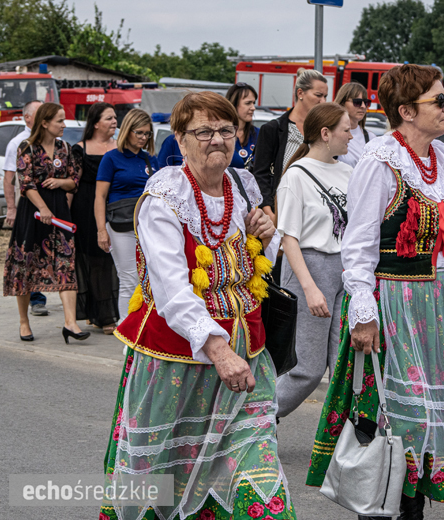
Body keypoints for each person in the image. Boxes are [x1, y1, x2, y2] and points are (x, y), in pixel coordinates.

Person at [306, 65, 444, 519]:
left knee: (430, 421)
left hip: (439, 304)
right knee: (393, 420)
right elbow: (358, 248)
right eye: (437, 101)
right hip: (394, 303)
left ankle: (412, 509)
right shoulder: (380, 160)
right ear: (405, 111)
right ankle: (382, 506)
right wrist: (363, 312)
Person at [100, 91, 294, 520]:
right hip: (178, 359)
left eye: (226, 130)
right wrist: (217, 348)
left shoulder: (243, 184)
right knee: (166, 484)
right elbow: (171, 289)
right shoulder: (164, 198)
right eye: (203, 131)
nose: (217, 140)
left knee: (259, 481)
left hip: (249, 355)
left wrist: (267, 233)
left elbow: (262, 260)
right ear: (181, 140)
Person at [275, 103, 353, 417]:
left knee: (342, 367)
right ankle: (258, 423)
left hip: (344, 270)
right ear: (325, 133)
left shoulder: (348, 171)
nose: (351, 135)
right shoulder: (296, 176)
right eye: (345, 129)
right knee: (307, 369)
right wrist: (309, 288)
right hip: (310, 268)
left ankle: (339, 439)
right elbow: (288, 237)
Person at [3, 102, 89, 343]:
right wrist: (43, 208)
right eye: (59, 121)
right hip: (33, 213)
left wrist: (61, 184)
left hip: (60, 213)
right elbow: (26, 184)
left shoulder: (65, 148)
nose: (64, 125)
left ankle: (70, 323)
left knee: (65, 264)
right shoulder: (26, 147)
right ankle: (23, 322)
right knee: (26, 266)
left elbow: (74, 180)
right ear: (44, 123)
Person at [95, 109, 159, 320]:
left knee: (147, 279)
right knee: (129, 279)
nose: (143, 138)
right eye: (139, 132)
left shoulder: (150, 160)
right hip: (120, 226)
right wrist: (101, 230)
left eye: (147, 134)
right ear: (127, 131)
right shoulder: (111, 158)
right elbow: (100, 197)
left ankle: (141, 326)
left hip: (147, 226)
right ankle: (126, 328)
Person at [252, 68, 328, 222]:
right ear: (300, 93)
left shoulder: (324, 131)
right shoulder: (273, 129)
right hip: (279, 211)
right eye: (318, 95)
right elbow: (260, 174)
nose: (323, 101)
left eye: (325, 96)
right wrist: (269, 212)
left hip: (314, 214)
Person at [71, 102, 120, 334]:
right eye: (109, 118)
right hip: (86, 208)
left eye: (114, 118)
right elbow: (73, 185)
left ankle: (104, 312)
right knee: (93, 260)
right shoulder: (80, 149)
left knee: (108, 261)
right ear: (96, 122)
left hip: (114, 207)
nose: (114, 122)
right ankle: (102, 314)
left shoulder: (119, 147)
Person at [3, 99, 49, 317]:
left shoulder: (51, 141)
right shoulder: (18, 143)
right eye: (40, 113)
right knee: (27, 251)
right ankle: (35, 298)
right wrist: (11, 208)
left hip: (51, 204)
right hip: (28, 207)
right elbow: (10, 178)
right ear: (27, 117)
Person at [335, 81, 370, 168]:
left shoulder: (371, 137)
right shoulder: (332, 135)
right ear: (342, 103)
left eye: (366, 102)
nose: (363, 106)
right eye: (357, 102)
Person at [226, 82, 260, 169]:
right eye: (248, 103)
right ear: (233, 104)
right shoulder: (220, 135)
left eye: (253, 103)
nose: (253, 108)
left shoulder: (259, 134)